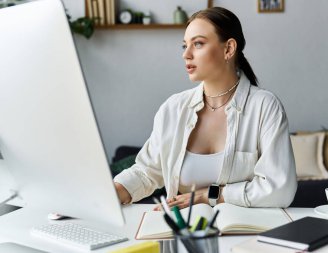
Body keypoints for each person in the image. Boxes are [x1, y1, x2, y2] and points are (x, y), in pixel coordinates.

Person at [114, 7, 297, 209]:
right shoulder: (173, 109)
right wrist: (114, 191)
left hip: (246, 232)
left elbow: (280, 189)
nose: (186, 54)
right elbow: (147, 172)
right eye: (184, 46)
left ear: (228, 49)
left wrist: (210, 195)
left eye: (198, 44)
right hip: (186, 229)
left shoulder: (265, 106)